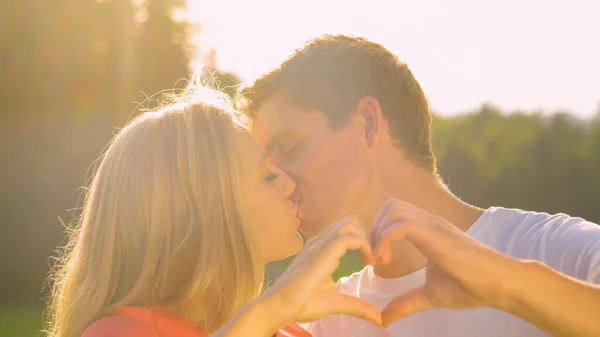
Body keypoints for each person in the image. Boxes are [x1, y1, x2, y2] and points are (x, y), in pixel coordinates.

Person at [238, 34, 600, 336]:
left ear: (367, 122)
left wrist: (507, 286)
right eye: (266, 169)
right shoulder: (324, 322)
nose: (279, 182)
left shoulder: (557, 249)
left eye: (289, 148)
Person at [45, 83, 383, 337]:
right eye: (266, 174)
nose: (290, 184)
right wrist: (274, 308)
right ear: (204, 211)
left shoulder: (284, 330)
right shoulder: (119, 331)